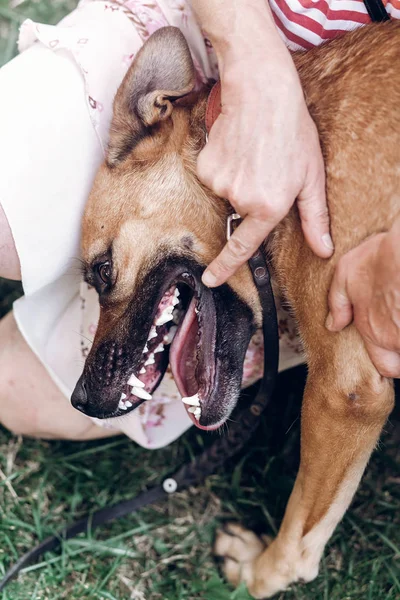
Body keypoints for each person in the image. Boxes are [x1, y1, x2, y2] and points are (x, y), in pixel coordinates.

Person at [0, 0, 397, 444]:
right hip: (228, 38)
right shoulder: (160, 128)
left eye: (107, 271)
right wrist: (256, 74)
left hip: (351, 108)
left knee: (14, 385)